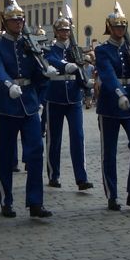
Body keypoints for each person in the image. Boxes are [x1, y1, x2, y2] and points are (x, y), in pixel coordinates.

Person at [0, 0, 53, 218]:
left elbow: (36, 72)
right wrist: (8, 85)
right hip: (7, 104)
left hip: (30, 104)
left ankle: (35, 202)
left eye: (20, 19)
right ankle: (6, 200)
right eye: (14, 20)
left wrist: (47, 71)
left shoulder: (29, 42)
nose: (18, 22)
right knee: (6, 155)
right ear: (5, 22)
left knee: (35, 151)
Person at [94, 6, 130, 211]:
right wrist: (119, 93)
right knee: (109, 152)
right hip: (111, 103)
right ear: (109, 27)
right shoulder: (102, 50)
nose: (120, 29)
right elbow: (107, 74)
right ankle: (112, 194)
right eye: (116, 25)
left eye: (123, 25)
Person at [43, 16, 93, 190]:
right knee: (54, 139)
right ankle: (53, 174)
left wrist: (86, 88)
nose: (65, 33)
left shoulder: (75, 49)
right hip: (55, 96)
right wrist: (65, 65)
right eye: (62, 30)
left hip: (73, 96)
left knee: (78, 137)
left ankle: (81, 177)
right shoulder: (49, 49)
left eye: (67, 30)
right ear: (56, 32)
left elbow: (80, 70)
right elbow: (52, 61)